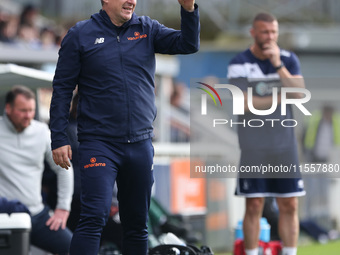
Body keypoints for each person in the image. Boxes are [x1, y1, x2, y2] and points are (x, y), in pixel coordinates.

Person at [49, 0, 200, 254]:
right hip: (99, 143)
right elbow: (62, 90)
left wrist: (188, 10)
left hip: (140, 144)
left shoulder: (147, 28)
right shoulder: (80, 35)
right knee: (94, 218)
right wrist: (58, 137)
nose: (132, 1)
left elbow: (188, 44)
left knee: (138, 224)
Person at [227, 13, 306, 255]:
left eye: (273, 32)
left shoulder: (288, 59)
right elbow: (243, 104)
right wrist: (279, 97)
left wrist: (278, 65)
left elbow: (300, 94)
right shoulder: (239, 62)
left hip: (285, 145)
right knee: (254, 205)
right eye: (264, 32)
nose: (269, 37)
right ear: (253, 32)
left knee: (289, 204)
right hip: (254, 147)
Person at [0, 85, 74, 255]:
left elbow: (64, 168)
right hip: (4, 217)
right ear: (9, 108)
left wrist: (63, 207)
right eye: (23, 110)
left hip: (37, 216)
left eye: (31, 110)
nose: (28, 115)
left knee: (75, 248)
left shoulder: (42, 132)